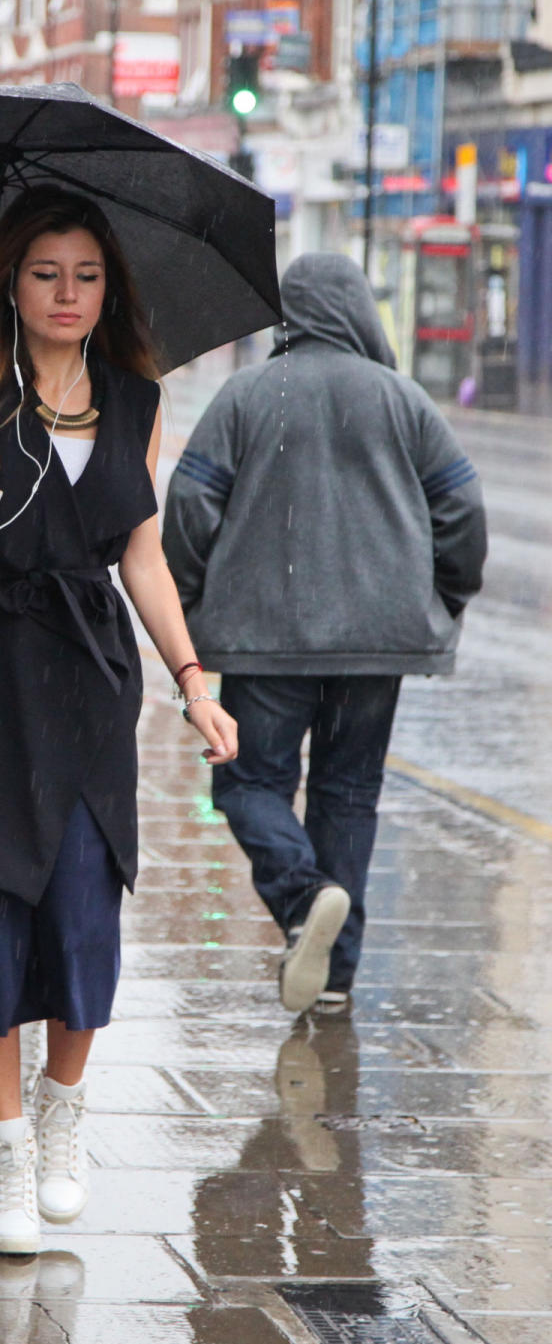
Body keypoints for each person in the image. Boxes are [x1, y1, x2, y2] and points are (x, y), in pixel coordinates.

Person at [0, 185, 239, 1255]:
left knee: (86, 910)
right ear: (11, 278)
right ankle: (5, 1147)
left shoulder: (134, 394)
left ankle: (64, 1107)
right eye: (47, 272)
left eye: (87, 273)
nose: (68, 292)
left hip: (89, 679)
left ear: (110, 285)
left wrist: (193, 675)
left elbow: (141, 552)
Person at [162, 252, 487, 1016]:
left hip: (265, 639)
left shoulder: (246, 395)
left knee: (249, 783)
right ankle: (336, 975)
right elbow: (461, 512)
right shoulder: (403, 400)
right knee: (348, 793)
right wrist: (442, 597)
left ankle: (306, 897)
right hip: (378, 644)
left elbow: (189, 508)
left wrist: (197, 601)